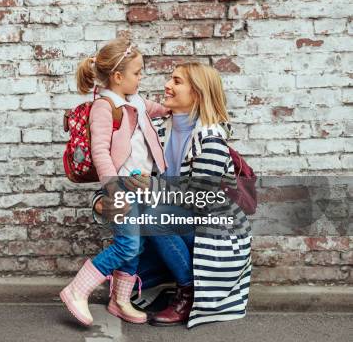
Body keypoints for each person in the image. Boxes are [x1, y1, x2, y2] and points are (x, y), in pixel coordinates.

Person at [92, 62, 253, 328]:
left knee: (153, 214)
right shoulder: (156, 127)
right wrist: (101, 201)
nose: (167, 85)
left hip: (212, 228)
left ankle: (187, 292)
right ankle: (151, 278)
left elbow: (201, 199)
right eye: (170, 78)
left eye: (177, 81)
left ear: (198, 93)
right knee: (141, 216)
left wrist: (151, 188)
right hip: (176, 222)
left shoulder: (210, 138)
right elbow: (121, 167)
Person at [59, 38, 169, 326]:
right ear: (118, 77)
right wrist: (112, 190)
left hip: (141, 186)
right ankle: (77, 289)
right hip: (119, 187)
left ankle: (120, 300)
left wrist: (177, 105)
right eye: (137, 72)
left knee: (137, 244)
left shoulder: (136, 101)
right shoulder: (105, 107)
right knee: (127, 246)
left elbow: (158, 109)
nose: (141, 77)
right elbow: (99, 153)